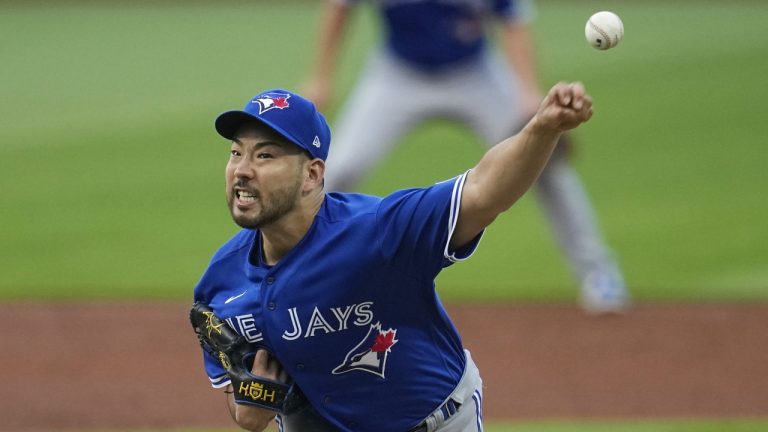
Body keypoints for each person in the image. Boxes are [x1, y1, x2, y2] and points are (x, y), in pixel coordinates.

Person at [193, 81, 594, 431]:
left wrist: (543, 128)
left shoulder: (378, 231)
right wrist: (247, 405)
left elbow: (483, 191)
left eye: (264, 156)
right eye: (235, 153)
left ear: (312, 175)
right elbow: (244, 408)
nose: (242, 170)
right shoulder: (222, 284)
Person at [302, 0, 628, 313]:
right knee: (337, 170)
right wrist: (321, 75)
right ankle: (289, 276)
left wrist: (527, 92)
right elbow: (340, 7)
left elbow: (514, 23)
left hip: (475, 75)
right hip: (397, 76)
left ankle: (598, 273)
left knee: (543, 162)